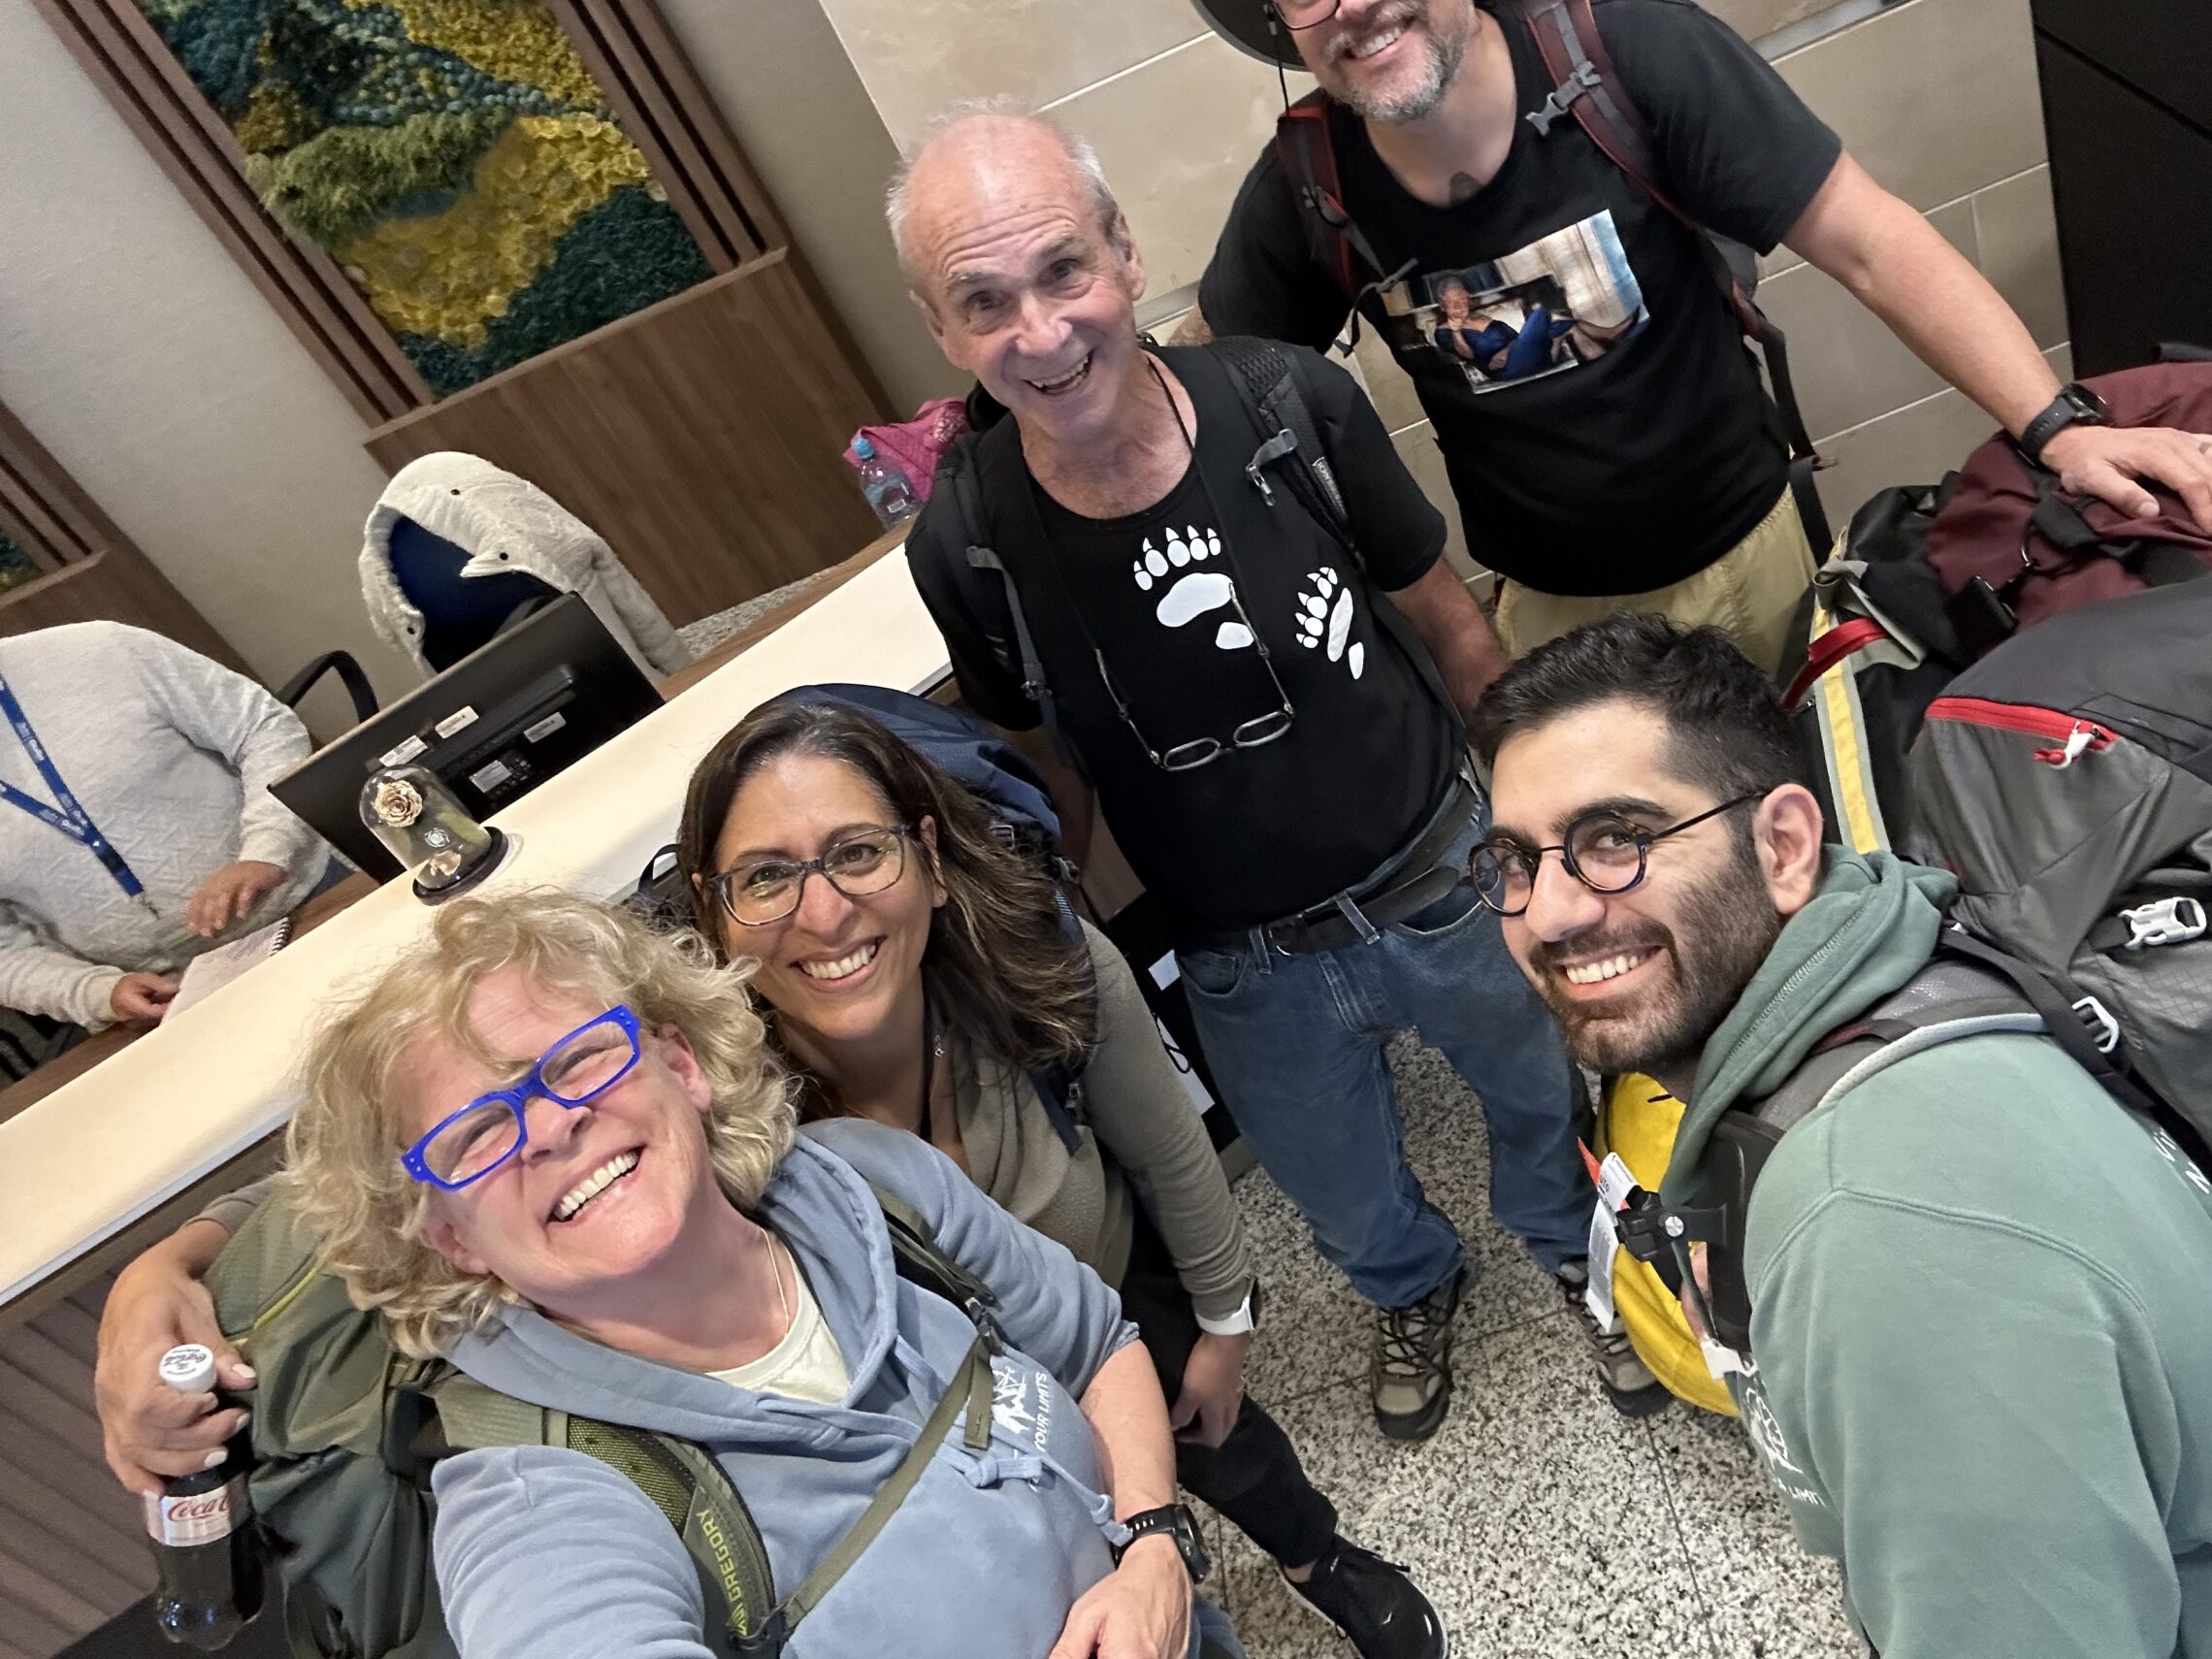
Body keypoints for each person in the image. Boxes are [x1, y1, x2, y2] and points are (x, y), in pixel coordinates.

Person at [95, 696, 1446, 1658]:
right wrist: (158, 1271)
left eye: (855, 854)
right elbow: (374, 1183)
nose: (822, 911)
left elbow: (1159, 1180)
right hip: (1024, 1385)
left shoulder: (1021, 977)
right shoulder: (697, 1100)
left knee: (1231, 1452)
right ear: (708, 918)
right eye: (766, 879)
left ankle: (1321, 1560)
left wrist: (1217, 1340)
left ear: (921, 854)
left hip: (1078, 1328)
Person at [890, 107, 1628, 1437]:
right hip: (1242, 960)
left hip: (1441, 874)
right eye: (983, 302)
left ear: (1123, 253)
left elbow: (1449, 619)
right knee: (1338, 1192)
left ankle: (1576, 1245)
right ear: (942, 332)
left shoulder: (1290, 402)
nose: (1042, 334)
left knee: (1540, 1091)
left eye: (1064, 271)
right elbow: (1038, 764)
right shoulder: (968, 543)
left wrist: (1543, 832)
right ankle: (1411, 1284)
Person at [1168, 0, 2212, 668]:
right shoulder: (1307, 185)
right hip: (1558, 623)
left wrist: (2059, 428)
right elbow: (1208, 385)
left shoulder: (1635, 59)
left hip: (1753, 555)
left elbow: (1870, 240)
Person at [1469, 615, 2212, 1658]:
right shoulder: (1916, 950)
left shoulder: (1875, 1228)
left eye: (1614, 841)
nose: (1550, 913)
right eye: (1515, 863)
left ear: (1784, 845)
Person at [165, 889, 1243, 1658]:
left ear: (680, 1064)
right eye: (473, 1139)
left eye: (579, 1059)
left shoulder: (873, 1184)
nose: (549, 1127)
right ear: (449, 1240)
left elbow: (1095, 1347)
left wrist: (1151, 1546)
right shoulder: (537, 1498)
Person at [0, 620, 332, 1031]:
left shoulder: (100, 650)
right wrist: (93, 991)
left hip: (306, 901)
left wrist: (266, 848)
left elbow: (263, 730)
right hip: (177, 997)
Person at [360, 449, 689, 681]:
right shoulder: (381, 564)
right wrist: (684, 672)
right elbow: (623, 593)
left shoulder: (373, 569)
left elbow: (394, 640)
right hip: (619, 682)